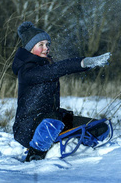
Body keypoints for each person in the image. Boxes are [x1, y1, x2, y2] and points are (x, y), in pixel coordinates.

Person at [12, 21, 111, 162]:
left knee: (99, 127)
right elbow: (56, 69)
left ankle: (81, 151)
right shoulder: (27, 70)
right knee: (52, 118)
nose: (46, 48)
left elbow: (53, 70)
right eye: (41, 45)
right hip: (28, 128)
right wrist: (83, 63)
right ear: (30, 48)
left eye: (48, 44)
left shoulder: (46, 65)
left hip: (53, 121)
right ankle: (35, 154)